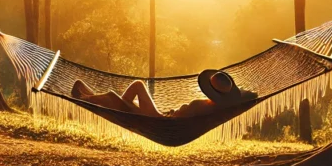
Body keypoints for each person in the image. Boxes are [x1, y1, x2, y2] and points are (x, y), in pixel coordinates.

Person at [71, 69, 257, 118]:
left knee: (111, 96)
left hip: (159, 120)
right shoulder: (210, 105)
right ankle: (123, 110)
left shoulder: (207, 108)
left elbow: (250, 96)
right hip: (161, 116)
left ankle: (87, 99)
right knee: (136, 85)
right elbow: (250, 94)